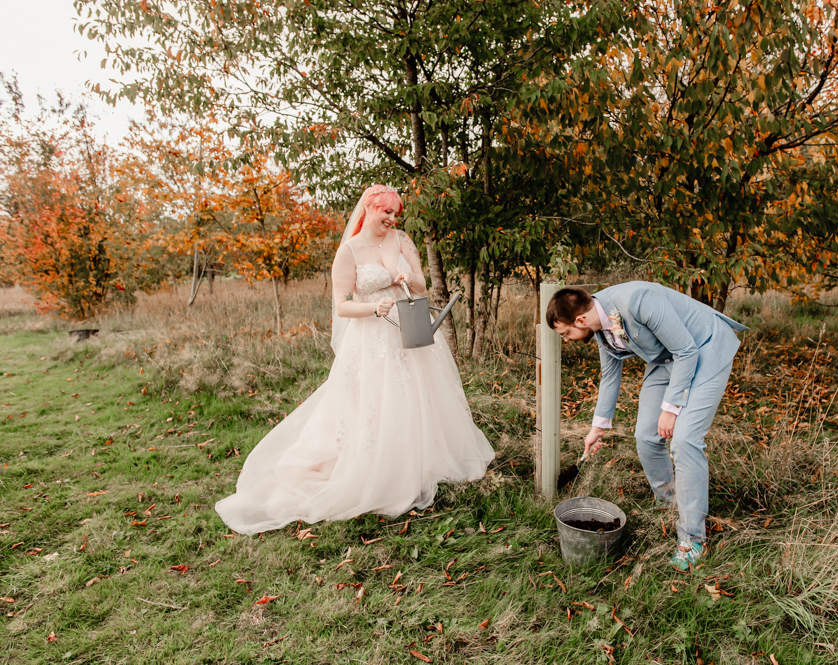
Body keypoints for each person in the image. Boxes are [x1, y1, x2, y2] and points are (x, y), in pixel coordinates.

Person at [216, 185, 495, 535]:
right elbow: (342, 306)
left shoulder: (402, 240)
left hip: (410, 330)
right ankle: (378, 467)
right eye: (386, 213)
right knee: (377, 402)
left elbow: (423, 286)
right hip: (372, 338)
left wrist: (410, 277)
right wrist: (373, 308)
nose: (392, 220)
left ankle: (420, 462)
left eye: (396, 214)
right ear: (369, 208)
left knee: (418, 398)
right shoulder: (348, 252)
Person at [546, 283, 748, 571]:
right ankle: (668, 502)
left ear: (580, 320)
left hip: (702, 347)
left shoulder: (638, 300)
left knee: (685, 440)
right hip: (667, 360)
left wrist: (671, 408)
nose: (566, 340)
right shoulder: (599, 324)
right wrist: (598, 428)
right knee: (645, 435)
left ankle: (692, 539)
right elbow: (609, 374)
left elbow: (687, 351)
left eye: (565, 334)